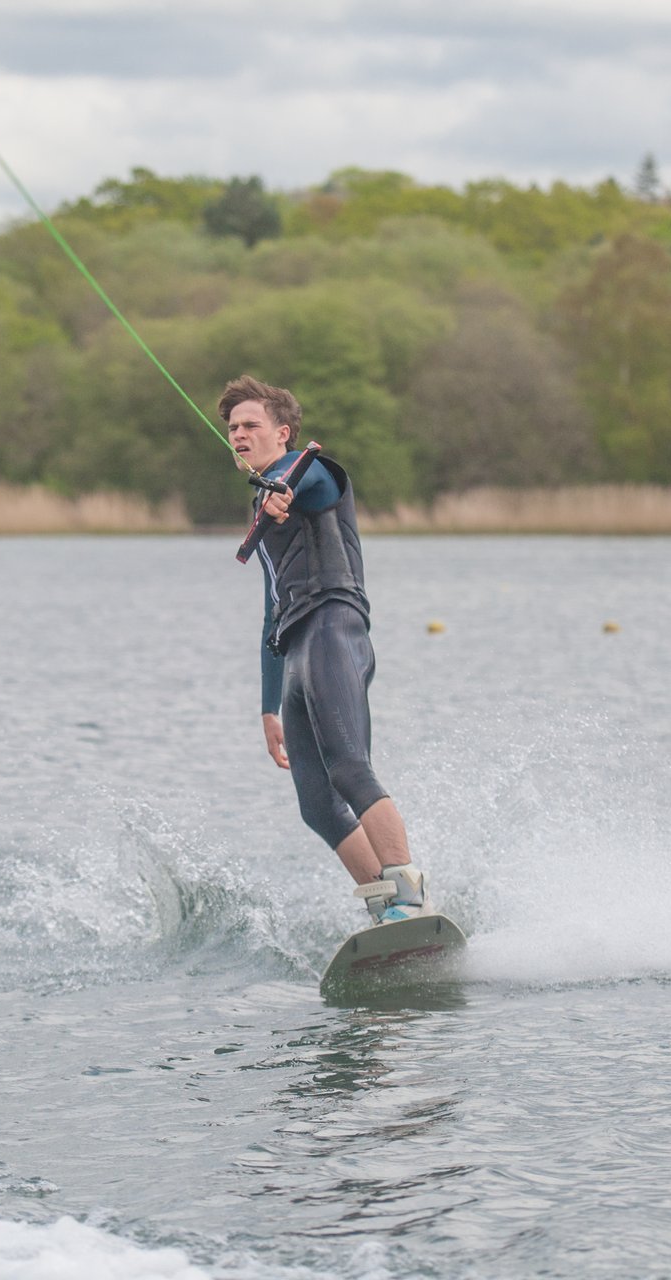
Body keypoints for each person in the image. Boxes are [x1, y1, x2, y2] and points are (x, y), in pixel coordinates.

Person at [219, 374, 429, 924]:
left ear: (282, 431)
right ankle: (386, 914)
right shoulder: (265, 509)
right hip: (296, 650)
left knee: (351, 771)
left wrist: (280, 491)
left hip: (335, 627)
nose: (238, 434)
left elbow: (306, 483)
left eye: (251, 425)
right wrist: (268, 706)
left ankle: (411, 899)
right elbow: (271, 613)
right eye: (232, 428)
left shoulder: (312, 474)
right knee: (318, 806)